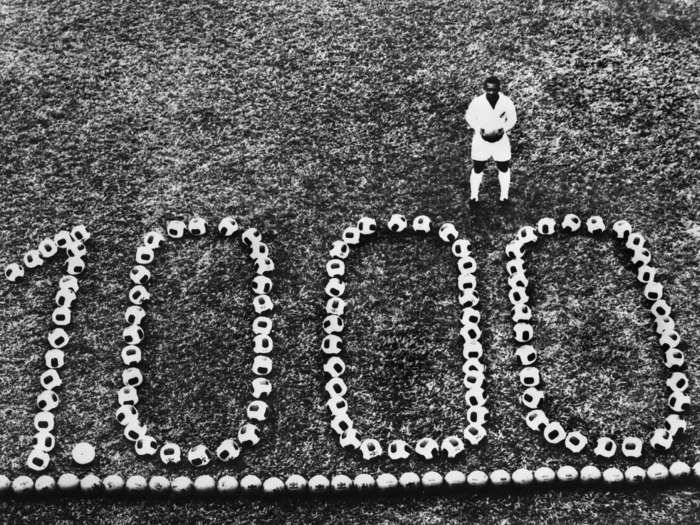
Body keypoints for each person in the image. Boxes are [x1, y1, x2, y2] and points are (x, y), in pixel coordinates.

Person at [464, 76, 517, 203]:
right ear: (484, 89)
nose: (491, 92)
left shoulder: (506, 102)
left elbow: (512, 119)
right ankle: (474, 197)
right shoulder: (477, 102)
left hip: (500, 141)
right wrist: (478, 128)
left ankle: (504, 197)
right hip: (481, 142)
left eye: (494, 90)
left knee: (503, 167)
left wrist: (504, 129)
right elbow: (469, 116)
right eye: (488, 90)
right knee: (478, 167)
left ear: (499, 88)